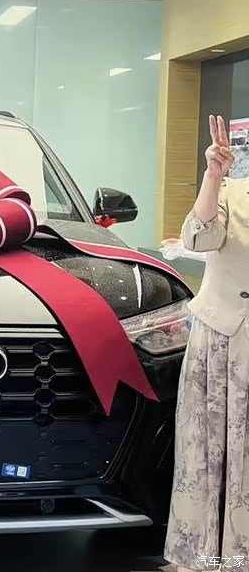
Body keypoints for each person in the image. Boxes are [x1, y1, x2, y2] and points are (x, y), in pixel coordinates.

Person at [165, 115, 249, 572]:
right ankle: (207, 557)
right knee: (209, 456)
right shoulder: (232, 190)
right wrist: (214, 175)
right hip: (222, 341)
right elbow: (197, 237)